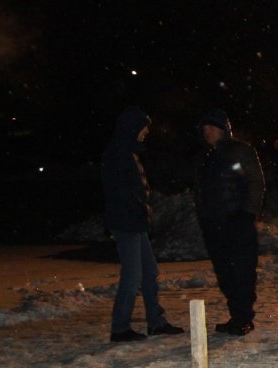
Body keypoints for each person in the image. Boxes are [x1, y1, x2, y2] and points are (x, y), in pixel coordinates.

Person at [101, 107, 184, 343]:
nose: (147, 131)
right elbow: (121, 192)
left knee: (149, 272)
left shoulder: (128, 152)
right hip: (127, 223)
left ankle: (156, 322)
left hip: (135, 222)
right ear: (132, 128)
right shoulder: (118, 153)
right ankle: (120, 328)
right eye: (144, 126)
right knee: (133, 276)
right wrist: (138, 208)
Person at [194, 108, 265, 336]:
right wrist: (204, 217)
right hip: (214, 225)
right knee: (225, 273)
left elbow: (256, 182)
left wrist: (247, 213)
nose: (207, 132)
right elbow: (202, 190)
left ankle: (243, 317)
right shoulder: (207, 157)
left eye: (212, 127)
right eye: (205, 128)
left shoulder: (240, 151)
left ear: (224, 129)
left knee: (241, 272)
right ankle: (237, 315)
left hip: (238, 222)